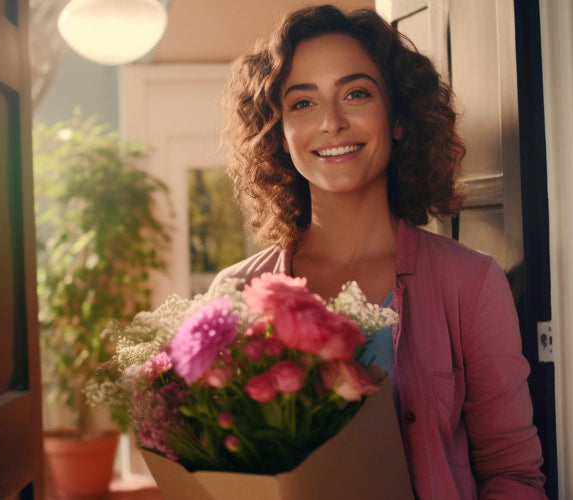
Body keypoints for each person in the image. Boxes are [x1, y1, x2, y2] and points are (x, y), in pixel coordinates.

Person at [210, 4, 547, 499]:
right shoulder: (236, 292)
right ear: (279, 134)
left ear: (399, 119)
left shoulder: (468, 284)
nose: (332, 121)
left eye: (356, 93)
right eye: (303, 103)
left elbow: (512, 475)